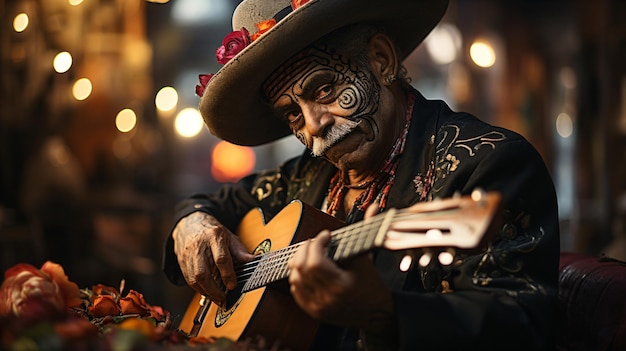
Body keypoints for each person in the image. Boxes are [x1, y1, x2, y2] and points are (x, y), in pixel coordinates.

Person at [163, 0, 560, 350]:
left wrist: (384, 313)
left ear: (382, 59)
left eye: (323, 90)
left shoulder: (487, 162)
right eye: (292, 113)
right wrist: (192, 221)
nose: (313, 125)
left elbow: (519, 327)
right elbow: (217, 203)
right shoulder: (306, 175)